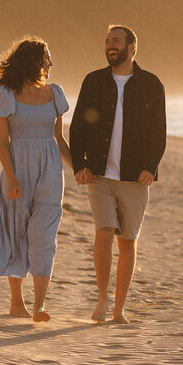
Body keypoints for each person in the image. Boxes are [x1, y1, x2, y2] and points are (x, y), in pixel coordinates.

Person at [69, 24, 166, 324]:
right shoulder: (93, 81)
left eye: (116, 41)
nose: (110, 45)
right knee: (103, 234)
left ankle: (118, 308)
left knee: (128, 242)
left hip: (135, 178)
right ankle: (101, 300)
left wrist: (151, 166)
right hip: (98, 175)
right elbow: (77, 126)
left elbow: (158, 131)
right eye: (107, 41)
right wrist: (78, 165)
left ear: (132, 47)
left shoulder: (151, 84)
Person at [0, 37, 72, 322]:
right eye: (46, 59)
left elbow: (59, 139)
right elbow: (2, 143)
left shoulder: (55, 93)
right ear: (33, 62)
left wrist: (79, 169)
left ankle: (39, 306)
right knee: (16, 233)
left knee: (44, 235)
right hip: (18, 169)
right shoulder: (4, 95)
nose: (50, 64)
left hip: (51, 169)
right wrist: (12, 178)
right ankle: (17, 303)